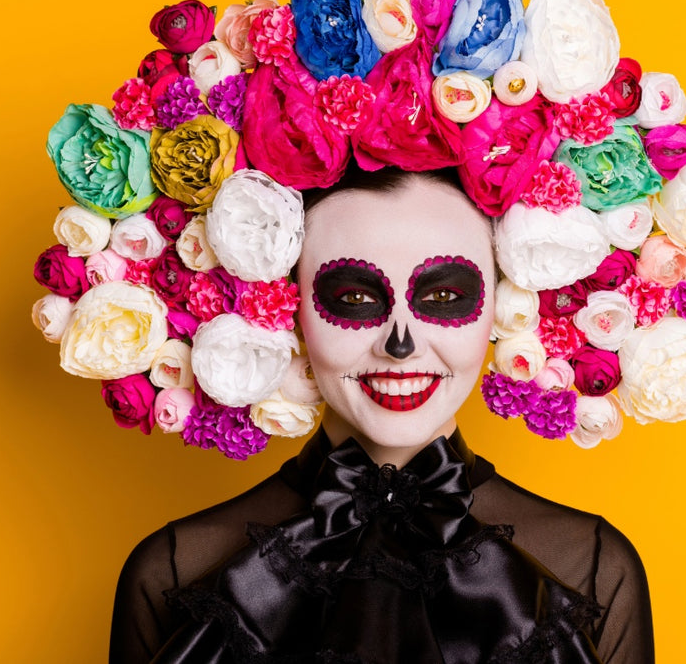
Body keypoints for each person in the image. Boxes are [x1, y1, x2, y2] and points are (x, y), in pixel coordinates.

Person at [108, 167, 655, 663]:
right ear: (286, 308)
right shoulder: (174, 569)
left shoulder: (593, 565)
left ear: (502, 307)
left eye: (442, 296)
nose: (400, 344)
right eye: (353, 298)